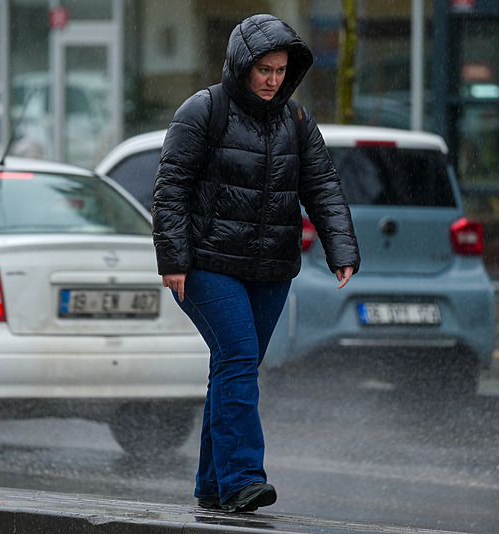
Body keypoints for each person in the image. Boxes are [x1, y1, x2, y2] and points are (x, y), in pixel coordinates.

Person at [152, 14, 360, 512]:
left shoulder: (296, 120)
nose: (272, 80)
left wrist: (341, 248)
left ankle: (212, 483)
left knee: (234, 365)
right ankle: (243, 478)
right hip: (207, 265)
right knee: (240, 357)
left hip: (270, 270)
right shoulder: (203, 111)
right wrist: (174, 260)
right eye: (264, 70)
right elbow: (170, 189)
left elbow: (322, 186)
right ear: (242, 64)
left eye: (281, 71)